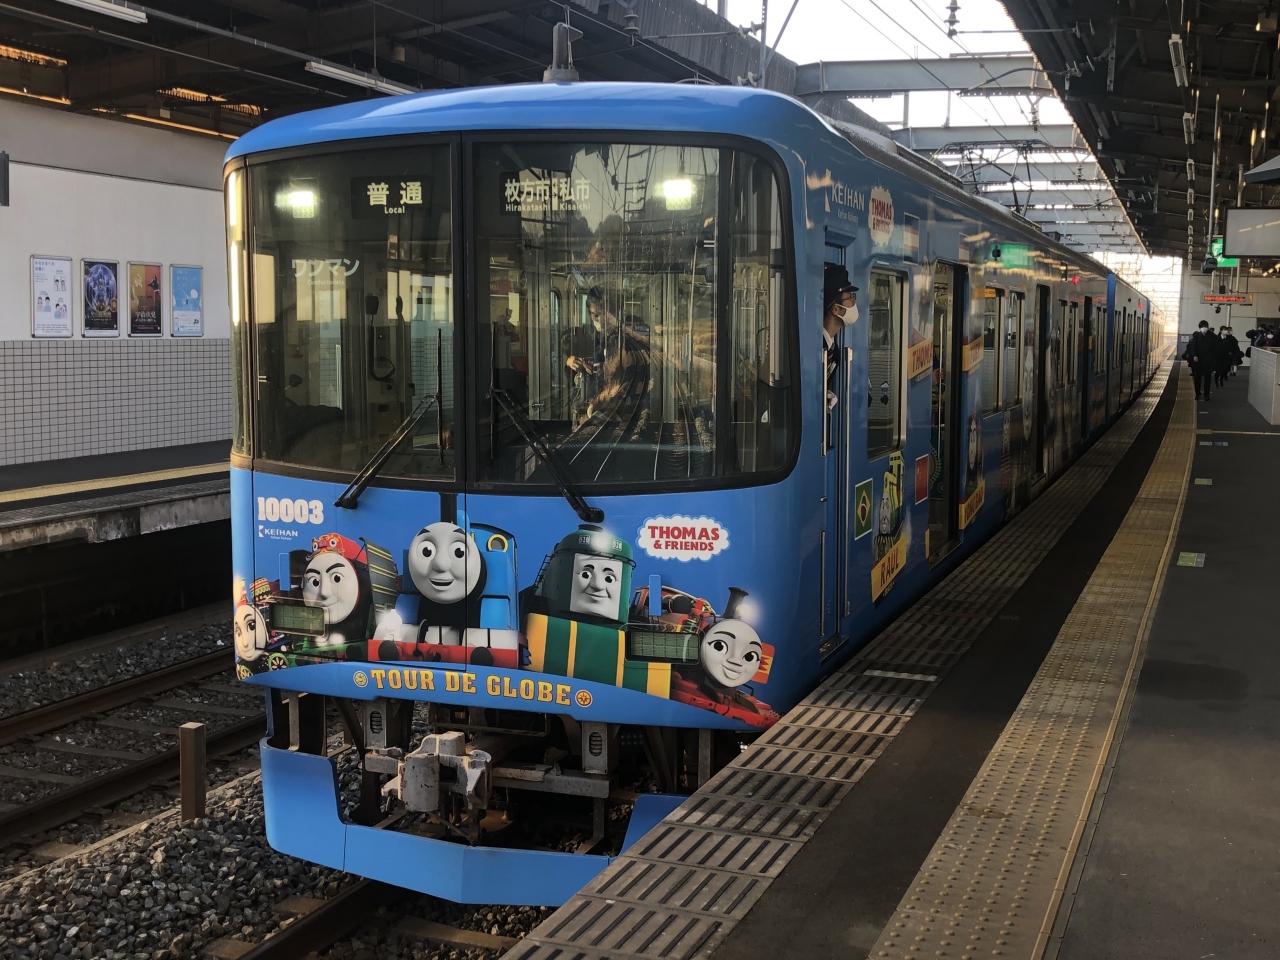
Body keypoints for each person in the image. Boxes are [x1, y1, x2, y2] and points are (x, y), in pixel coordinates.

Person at [822, 263, 860, 429]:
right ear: (836, 309)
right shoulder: (816, 347)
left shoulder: (834, 351)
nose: (854, 301)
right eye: (850, 297)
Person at [1183, 320, 1219, 400]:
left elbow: (1216, 348)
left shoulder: (1212, 336)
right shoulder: (1197, 336)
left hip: (1208, 360)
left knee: (1207, 378)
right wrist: (1194, 355)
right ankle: (1197, 394)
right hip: (1198, 360)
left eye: (1205, 327)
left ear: (1208, 327)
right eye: (1202, 327)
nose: (1204, 328)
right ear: (1200, 328)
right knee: (1197, 378)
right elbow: (1193, 347)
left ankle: (1206, 394)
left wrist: (1213, 358)